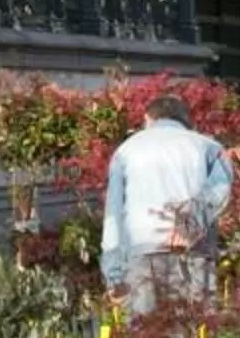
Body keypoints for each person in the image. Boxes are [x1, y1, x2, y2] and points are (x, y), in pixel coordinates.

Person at [99, 93, 232, 319]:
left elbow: (114, 216)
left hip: (141, 254)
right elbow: (220, 189)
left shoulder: (126, 151)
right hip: (192, 252)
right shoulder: (208, 147)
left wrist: (114, 274)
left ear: (147, 118)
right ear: (185, 120)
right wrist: (189, 223)